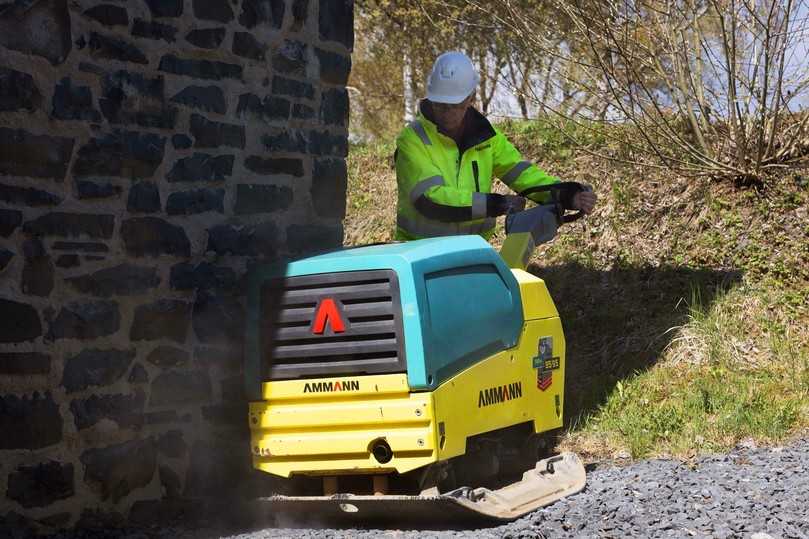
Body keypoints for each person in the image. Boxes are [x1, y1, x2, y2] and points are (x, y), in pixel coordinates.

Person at [394, 51, 597, 241]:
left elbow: (522, 175)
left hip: (473, 255)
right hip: (421, 256)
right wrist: (498, 204)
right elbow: (431, 200)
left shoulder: (486, 138)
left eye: (453, 106)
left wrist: (568, 195)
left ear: (470, 98)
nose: (446, 112)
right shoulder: (413, 139)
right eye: (440, 105)